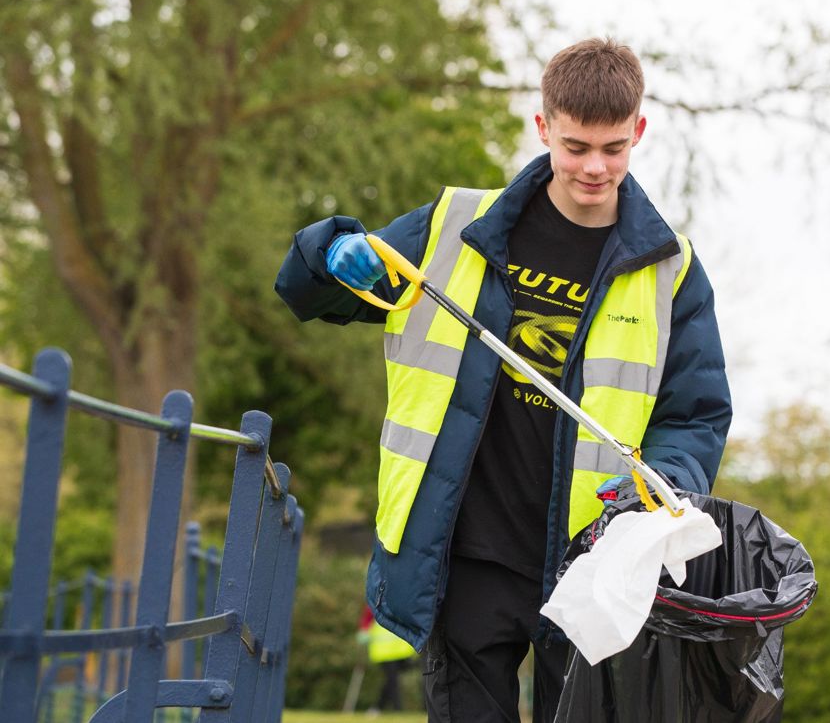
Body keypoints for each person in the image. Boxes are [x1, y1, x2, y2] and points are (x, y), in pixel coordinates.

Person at [275, 37, 732, 722]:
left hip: (591, 568)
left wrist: (656, 486)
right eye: (576, 146)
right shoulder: (455, 225)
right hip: (464, 558)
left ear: (638, 131)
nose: (594, 167)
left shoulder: (673, 271)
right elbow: (312, 292)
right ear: (543, 126)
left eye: (612, 148)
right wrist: (331, 256)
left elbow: (696, 415)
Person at [357, 603, 418, 712]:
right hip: (384, 651)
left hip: (402, 651)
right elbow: (366, 619)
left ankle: (378, 707)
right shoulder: (375, 601)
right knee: (392, 681)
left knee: (390, 681)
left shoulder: (400, 601)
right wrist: (364, 631)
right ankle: (398, 710)